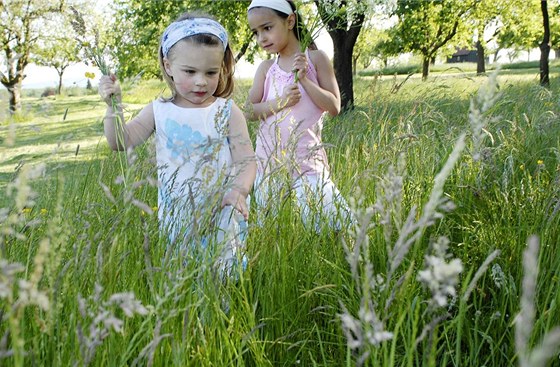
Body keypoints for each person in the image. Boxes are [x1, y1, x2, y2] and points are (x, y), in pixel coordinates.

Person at [99, 12, 256, 271]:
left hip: (223, 211)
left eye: (211, 72)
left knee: (225, 275)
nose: (201, 81)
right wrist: (113, 106)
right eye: (190, 71)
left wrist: (238, 191)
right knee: (184, 277)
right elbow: (120, 141)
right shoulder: (159, 110)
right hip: (178, 217)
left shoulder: (227, 111)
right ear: (168, 66)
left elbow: (247, 161)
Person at [246, 0, 351, 231]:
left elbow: (334, 107)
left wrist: (304, 78)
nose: (261, 38)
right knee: (272, 232)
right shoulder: (266, 69)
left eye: (267, 28)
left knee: (333, 226)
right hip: (270, 165)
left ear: (290, 21)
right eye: (256, 32)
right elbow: (248, 111)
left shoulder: (315, 59)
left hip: (307, 163)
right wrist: (280, 102)